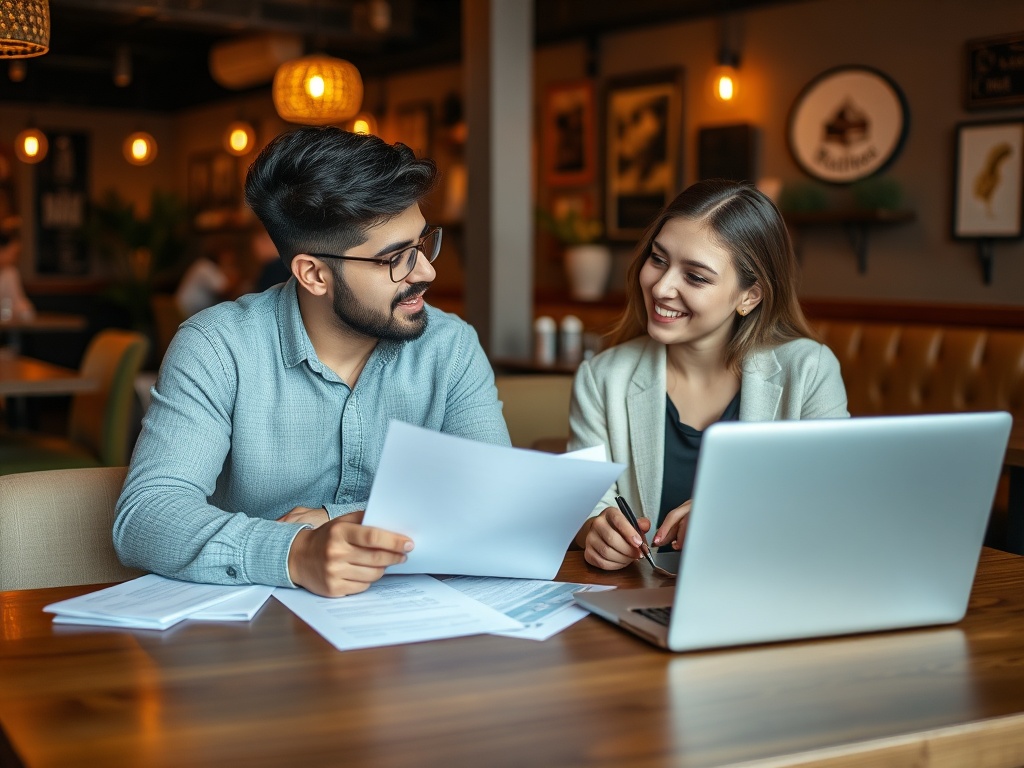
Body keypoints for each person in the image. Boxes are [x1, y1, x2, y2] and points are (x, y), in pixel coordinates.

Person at [115, 127, 511, 597]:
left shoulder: (450, 346)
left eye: (423, 244)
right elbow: (146, 513)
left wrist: (335, 519)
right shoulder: (217, 348)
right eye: (397, 258)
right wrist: (295, 553)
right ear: (314, 274)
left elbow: (494, 499)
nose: (426, 271)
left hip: (416, 628)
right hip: (255, 634)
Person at [568, 179, 848, 571]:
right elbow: (587, 503)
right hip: (641, 597)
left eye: (696, 277)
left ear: (750, 296)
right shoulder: (602, 378)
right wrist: (592, 530)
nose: (662, 287)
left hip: (766, 592)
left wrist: (732, 514)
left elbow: (834, 503)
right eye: (658, 259)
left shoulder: (809, 370)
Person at [174, 246, 243, 318]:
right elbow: (224, 290)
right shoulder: (205, 267)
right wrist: (234, 276)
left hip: (190, 311)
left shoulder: (205, 265)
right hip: (184, 312)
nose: (232, 259)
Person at [0, 230, 35, 322]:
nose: (15, 259)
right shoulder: (10, 273)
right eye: (14, 254)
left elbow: (24, 309)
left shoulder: (10, 273)